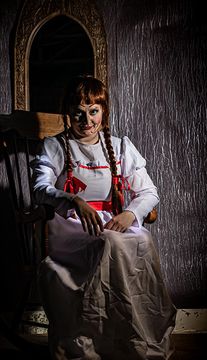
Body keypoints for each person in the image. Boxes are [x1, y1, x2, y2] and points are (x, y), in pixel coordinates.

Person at [30, 75, 176, 360]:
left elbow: (148, 191)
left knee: (141, 238)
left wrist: (130, 213)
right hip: (72, 227)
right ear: (68, 114)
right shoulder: (56, 147)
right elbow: (40, 189)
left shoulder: (121, 147)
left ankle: (132, 338)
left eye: (93, 111)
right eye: (78, 113)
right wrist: (73, 199)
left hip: (112, 221)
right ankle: (96, 344)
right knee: (111, 243)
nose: (87, 120)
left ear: (103, 112)